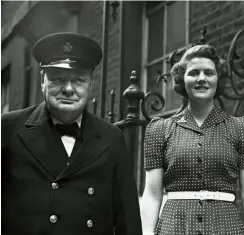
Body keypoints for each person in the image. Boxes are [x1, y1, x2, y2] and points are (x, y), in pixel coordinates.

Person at [1, 32, 142, 235]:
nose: (68, 89)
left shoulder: (112, 137)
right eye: (58, 79)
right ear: (43, 80)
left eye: (78, 81)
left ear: (91, 85)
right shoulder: (7, 129)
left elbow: (127, 221)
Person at [140, 44, 244, 235]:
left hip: (225, 228)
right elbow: (152, 194)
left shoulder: (241, 128)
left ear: (218, 79)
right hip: (174, 227)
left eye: (209, 73)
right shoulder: (160, 130)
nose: (201, 79)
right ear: (182, 79)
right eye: (193, 73)